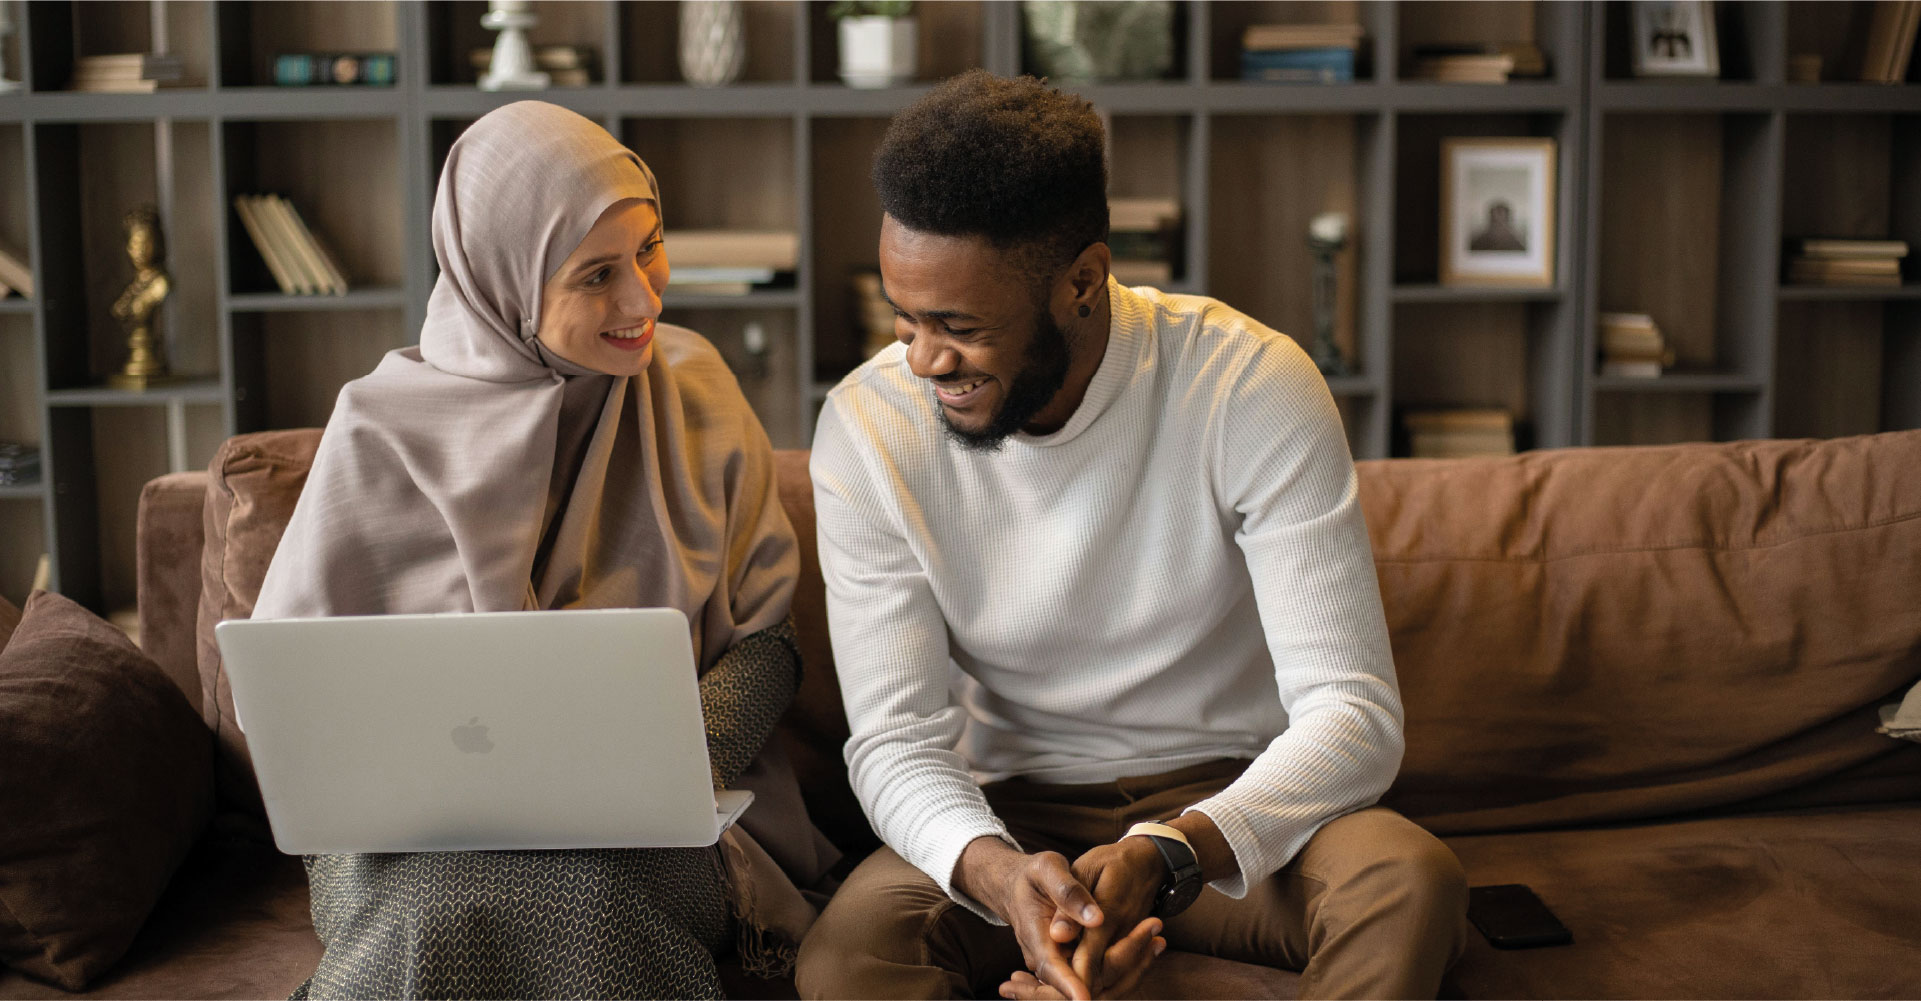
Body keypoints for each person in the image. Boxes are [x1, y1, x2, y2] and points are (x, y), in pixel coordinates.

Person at [796, 71, 1467, 1000]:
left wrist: (1172, 850)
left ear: (1082, 280)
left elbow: (1354, 716)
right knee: (847, 958)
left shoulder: (1248, 385)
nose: (921, 361)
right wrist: (999, 875)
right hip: (1011, 815)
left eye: (959, 326)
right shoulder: (868, 425)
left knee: (1405, 880)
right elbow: (894, 739)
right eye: (903, 317)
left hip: (1230, 807)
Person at [252, 100, 835, 1000]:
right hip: (404, 846)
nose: (643, 299)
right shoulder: (378, 427)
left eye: (649, 248)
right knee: (436, 902)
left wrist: (667, 761)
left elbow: (769, 643)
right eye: (596, 274)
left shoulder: (697, 392)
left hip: (656, 828)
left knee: (590, 890)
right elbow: (293, 698)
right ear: (505, 281)